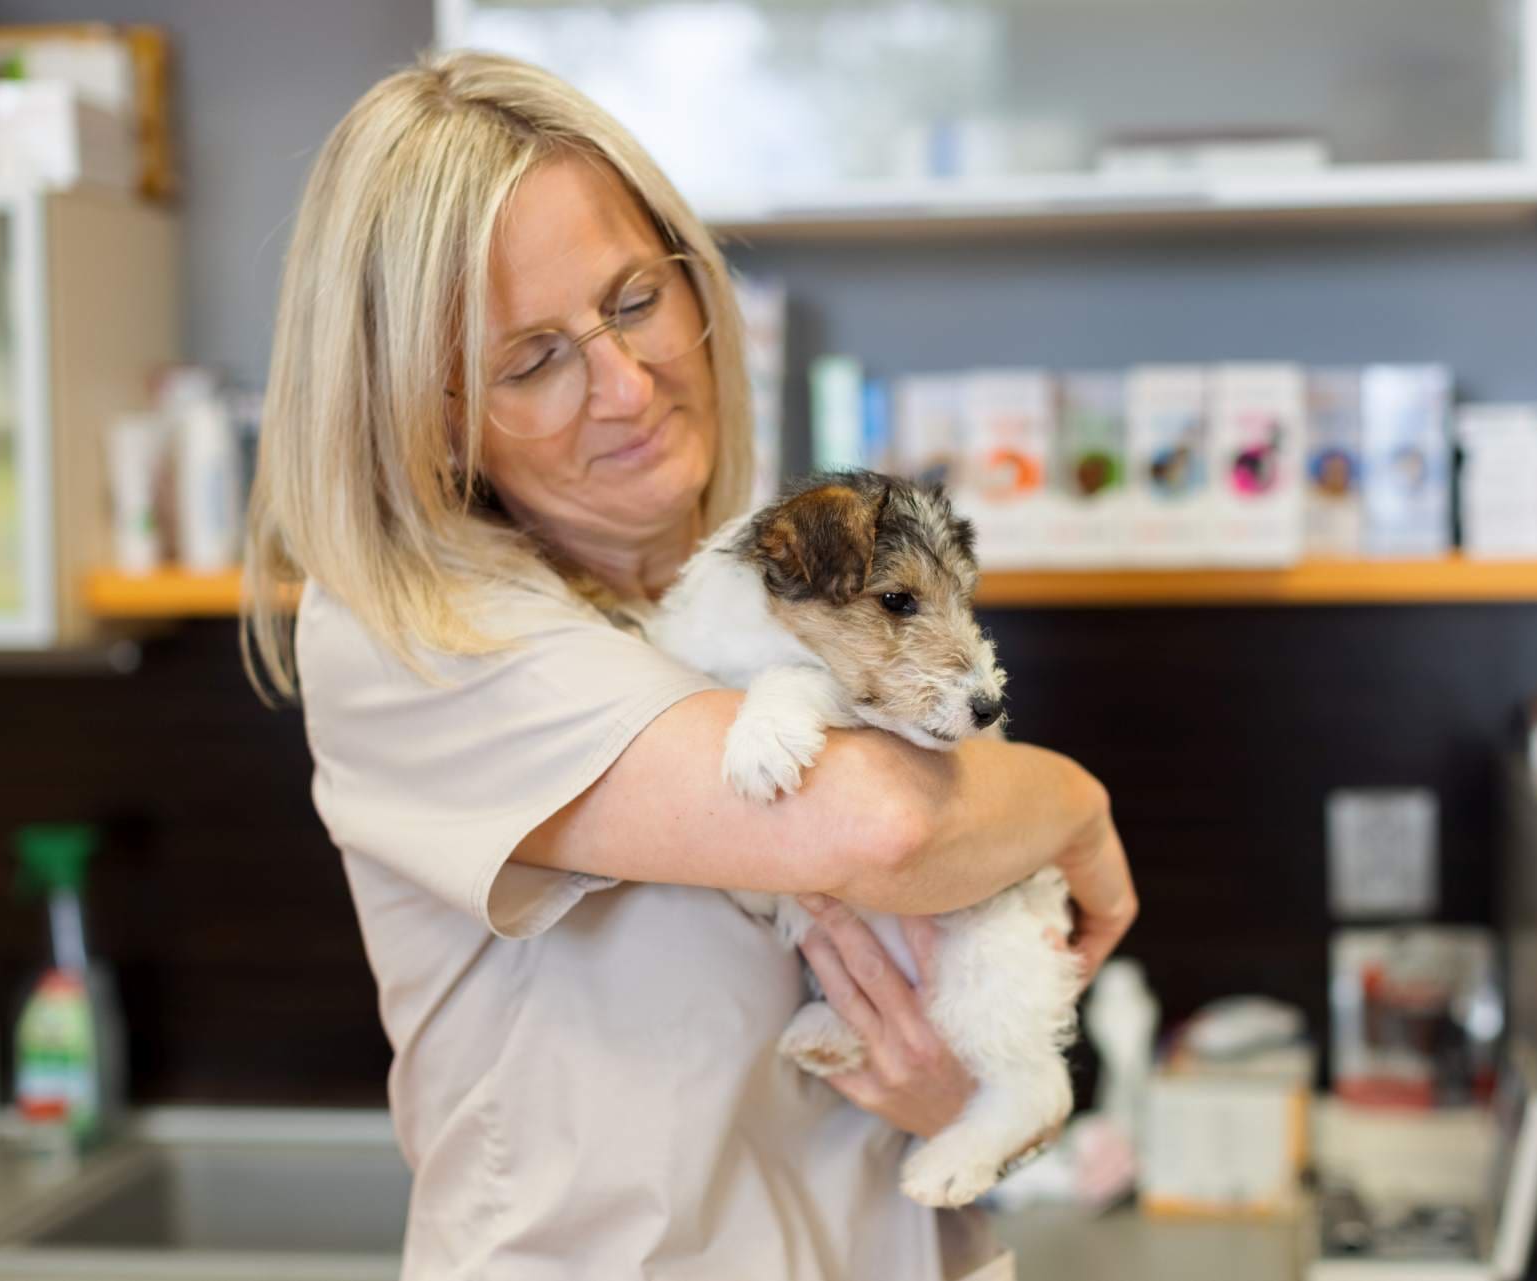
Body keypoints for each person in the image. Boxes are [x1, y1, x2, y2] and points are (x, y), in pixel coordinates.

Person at [242, 49, 1138, 1281]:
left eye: (631, 303)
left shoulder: (756, 596)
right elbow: (884, 826)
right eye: (531, 360)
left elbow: (914, 1028)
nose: (626, 386)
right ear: (430, 417)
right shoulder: (414, 637)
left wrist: (961, 1096)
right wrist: (1075, 807)